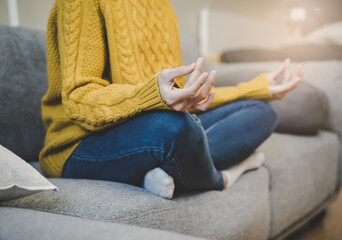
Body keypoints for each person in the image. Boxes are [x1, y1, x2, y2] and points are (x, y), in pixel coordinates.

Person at [40, 0, 303, 199]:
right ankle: (218, 178)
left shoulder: (163, 8)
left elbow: (173, 95)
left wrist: (255, 88)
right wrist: (153, 95)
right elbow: (78, 98)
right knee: (173, 128)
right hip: (81, 142)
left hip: (153, 124)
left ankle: (170, 166)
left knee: (260, 111)